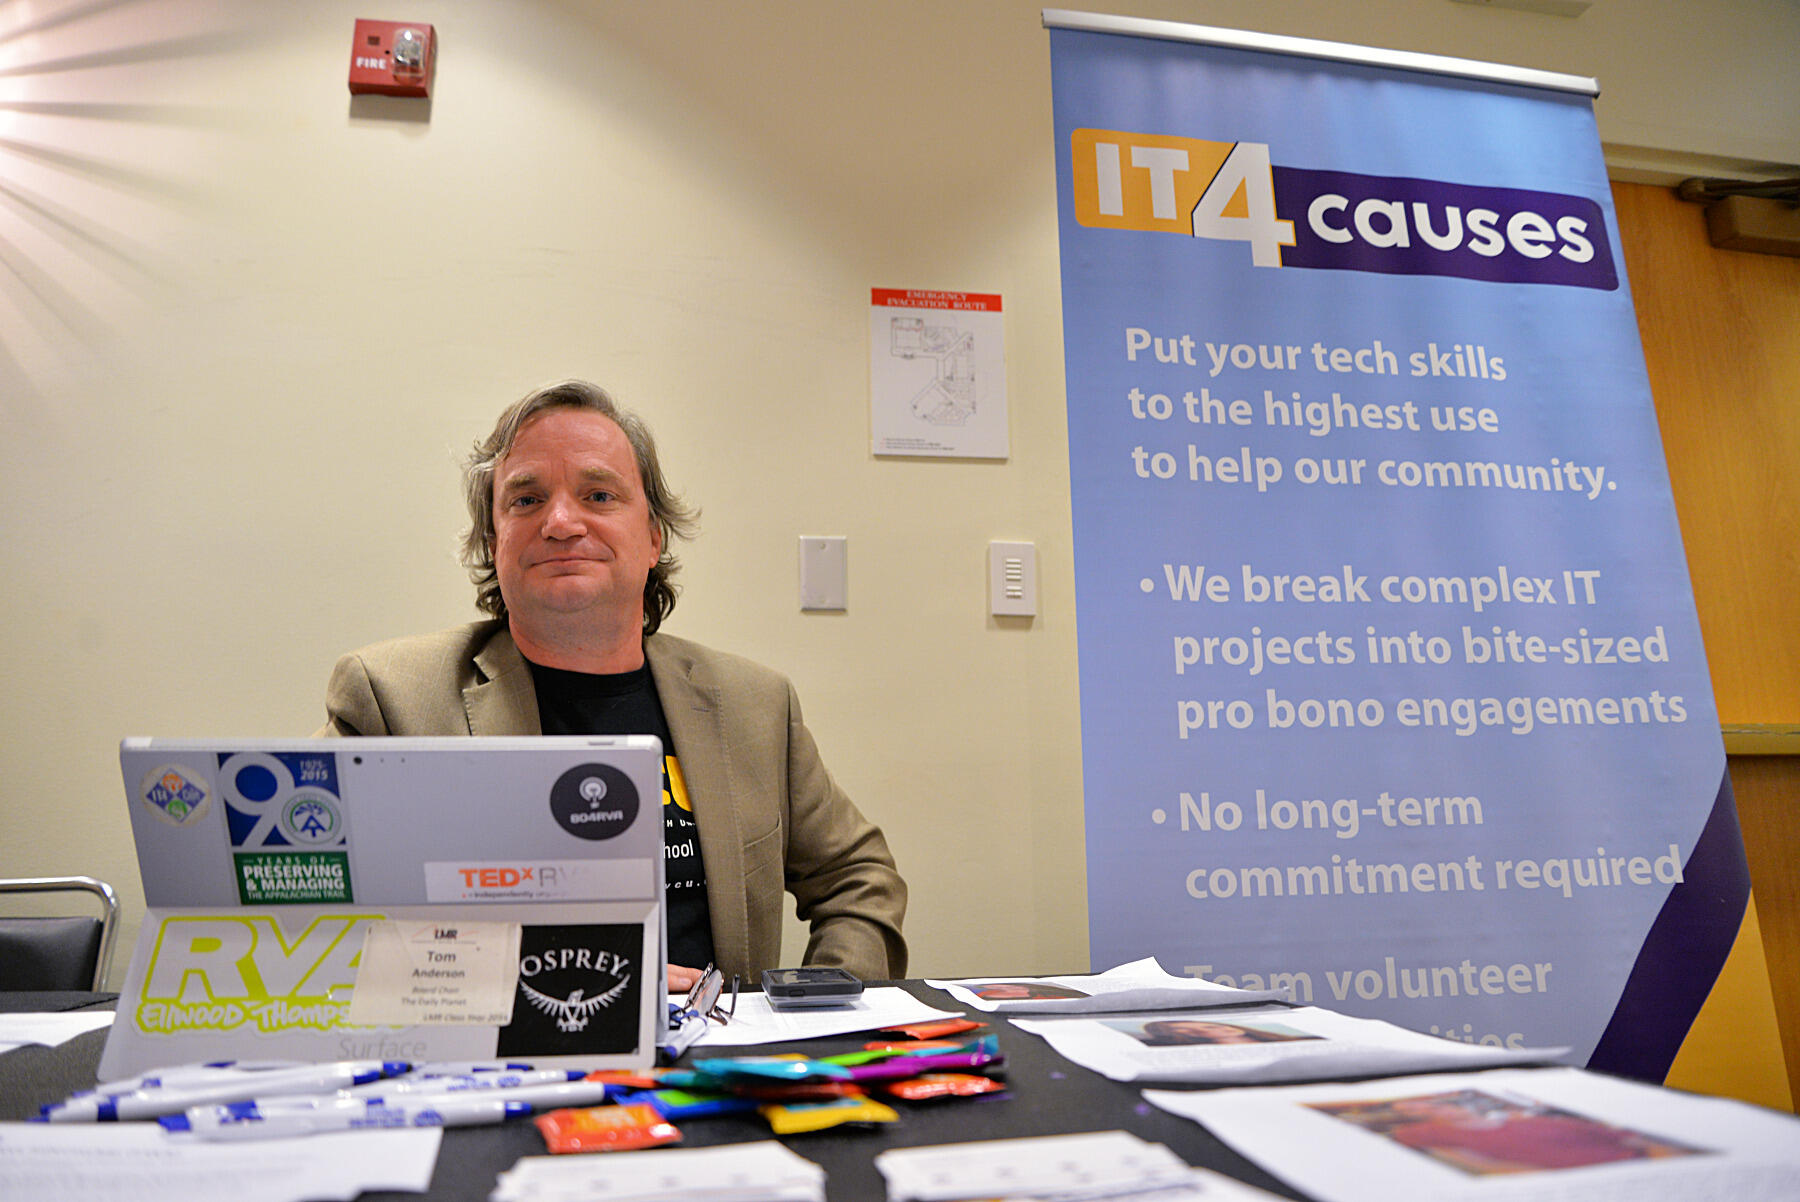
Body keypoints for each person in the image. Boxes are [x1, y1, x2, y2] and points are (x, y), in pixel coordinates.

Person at [318, 380, 907, 992]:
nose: (562, 522)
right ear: (493, 543)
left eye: (598, 495)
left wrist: (812, 1014)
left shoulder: (754, 704)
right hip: (506, 1067)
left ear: (653, 537)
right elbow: (310, 913)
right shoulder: (388, 700)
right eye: (525, 500)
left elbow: (859, 877)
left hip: (713, 1071)